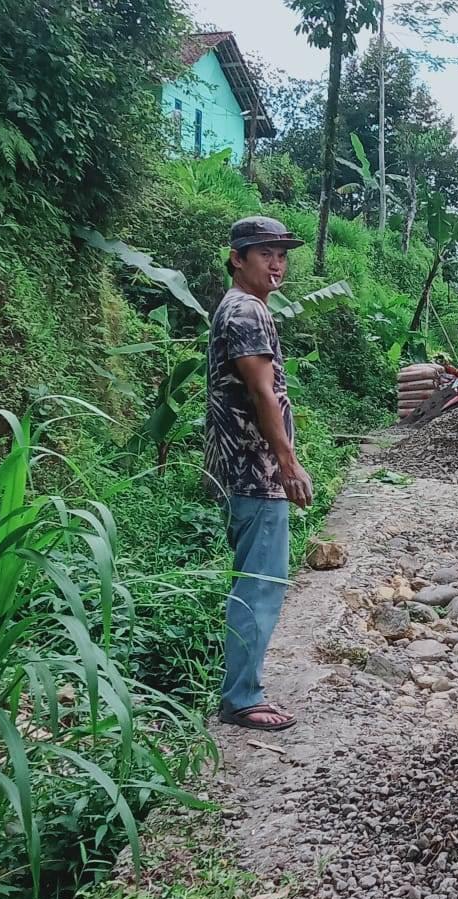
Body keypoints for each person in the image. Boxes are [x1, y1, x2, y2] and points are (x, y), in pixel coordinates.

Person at [205, 216, 313, 732]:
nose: (276, 264)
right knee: (259, 586)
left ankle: (241, 689)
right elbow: (261, 392)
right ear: (237, 258)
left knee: (255, 582)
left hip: (245, 470)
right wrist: (287, 463)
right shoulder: (246, 311)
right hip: (255, 471)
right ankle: (242, 697)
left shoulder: (242, 307)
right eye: (264, 253)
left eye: (282, 254)